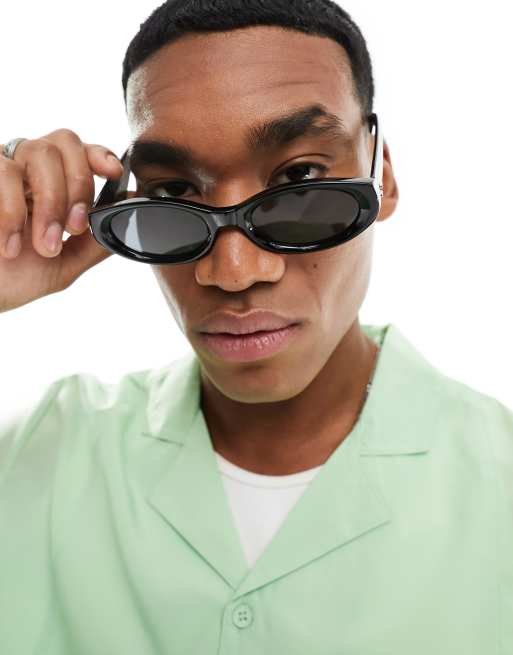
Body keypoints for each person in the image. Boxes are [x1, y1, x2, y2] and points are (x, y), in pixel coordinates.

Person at [0, 1, 511, 653]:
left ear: (379, 174)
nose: (234, 272)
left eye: (300, 179)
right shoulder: (38, 456)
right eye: (174, 192)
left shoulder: (499, 481)